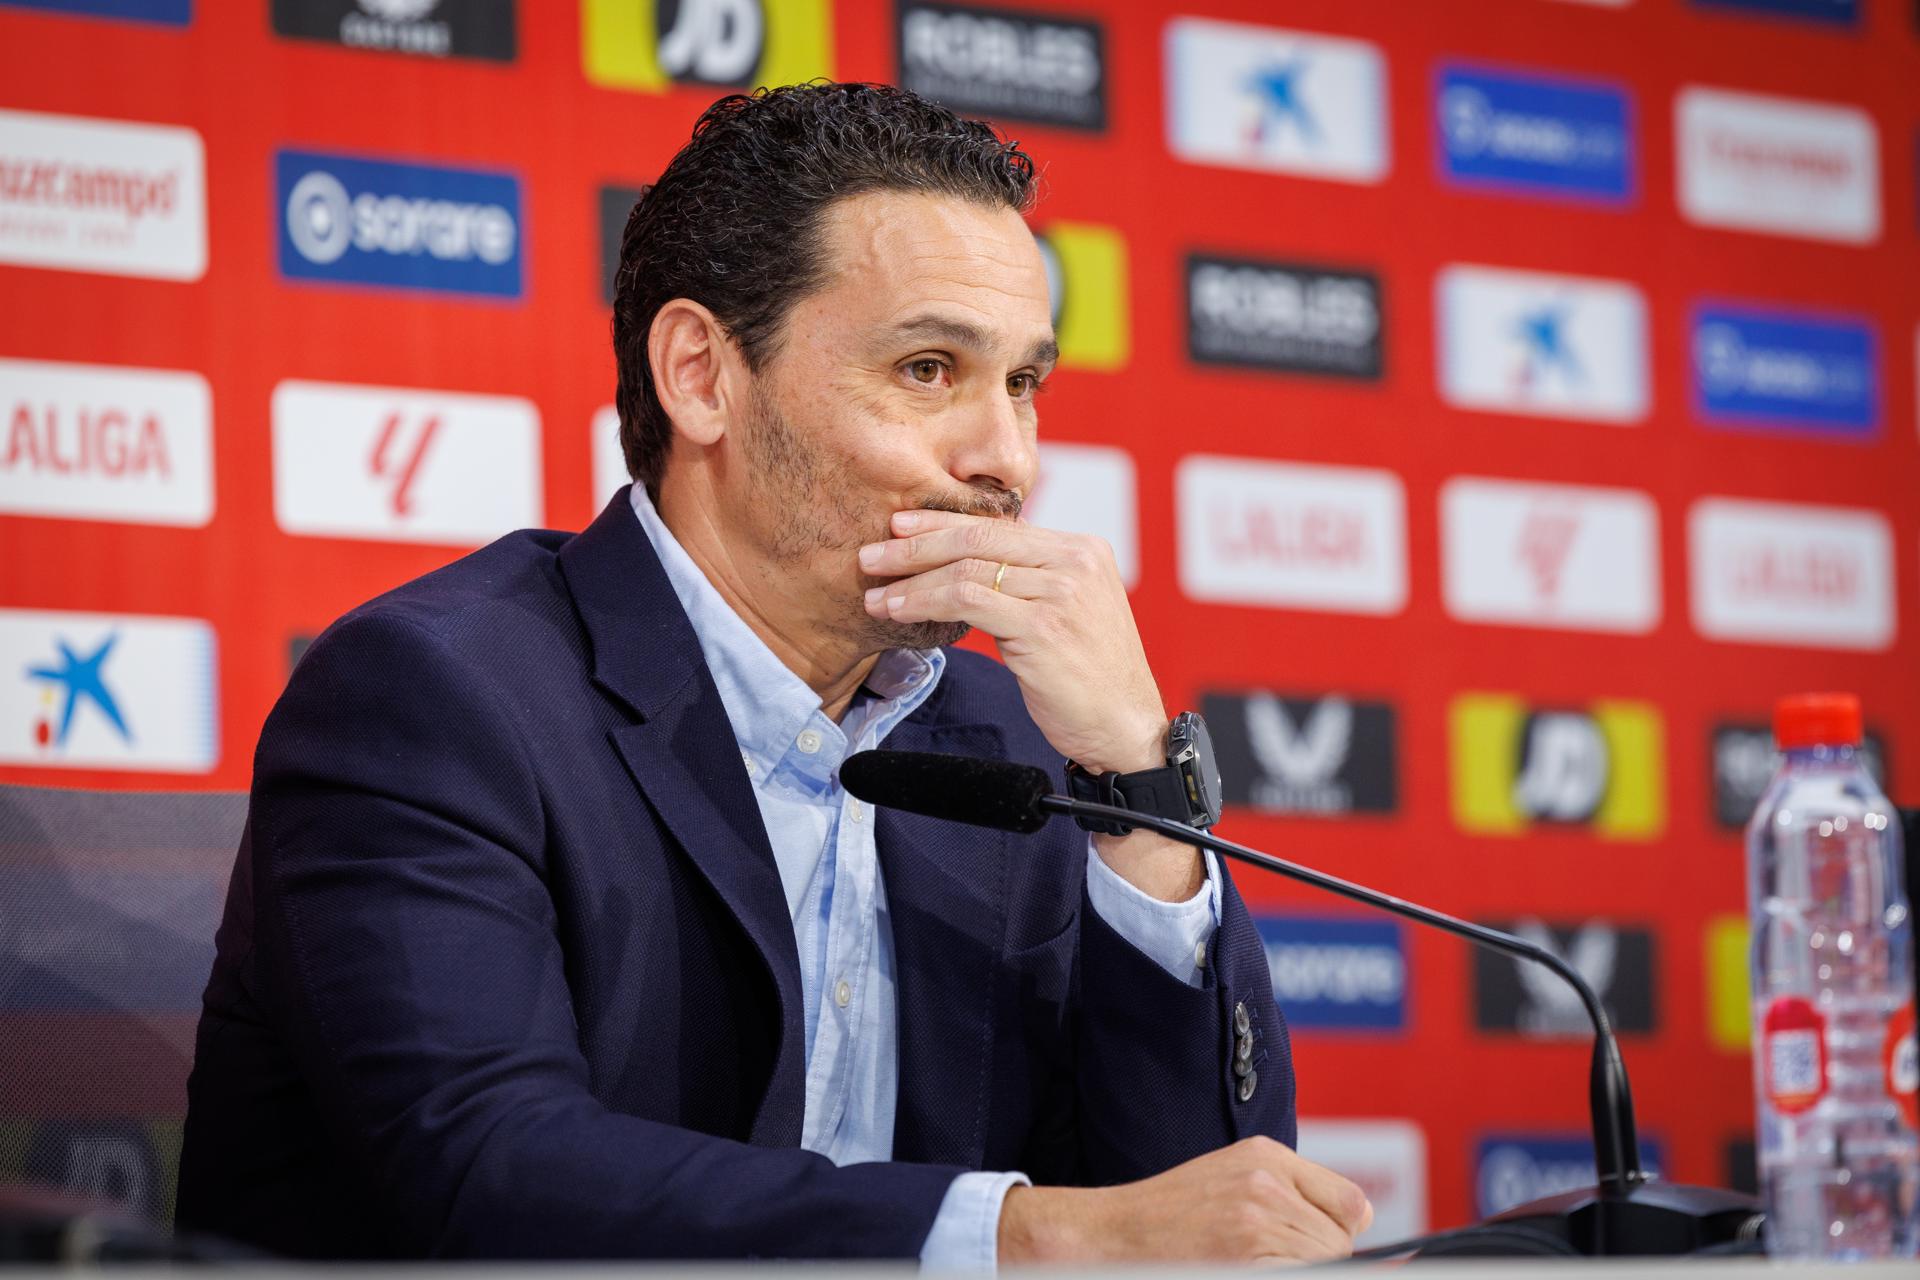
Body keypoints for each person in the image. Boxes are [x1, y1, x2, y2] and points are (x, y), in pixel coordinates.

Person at [177, 82, 1371, 1266]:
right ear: (701, 374)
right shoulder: (437, 696)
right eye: (926, 370)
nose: (1004, 458)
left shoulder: (1015, 745)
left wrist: (1141, 791)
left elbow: (1206, 1221)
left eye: (1022, 383)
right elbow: (490, 1172)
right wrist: (1023, 1235)